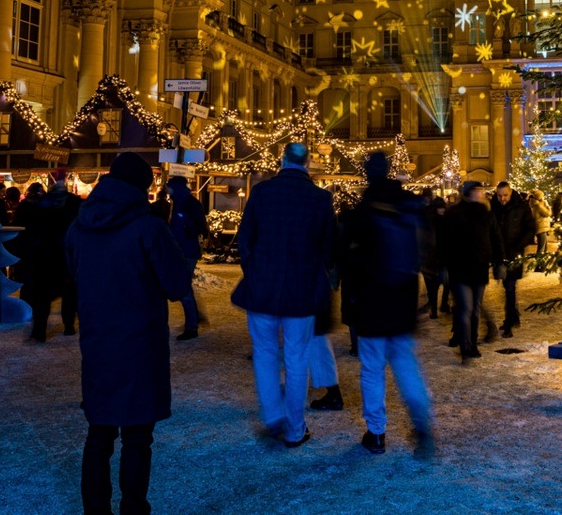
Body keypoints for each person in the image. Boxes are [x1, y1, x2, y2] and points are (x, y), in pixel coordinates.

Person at [66, 151, 191, 515]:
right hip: (140, 341)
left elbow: (75, 275)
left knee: (99, 432)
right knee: (137, 437)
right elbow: (176, 283)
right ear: (142, 186)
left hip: (98, 339)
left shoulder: (80, 225)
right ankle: (134, 509)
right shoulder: (147, 226)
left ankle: (96, 509)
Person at [231, 142, 337, 448]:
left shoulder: (263, 193)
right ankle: (294, 428)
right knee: (296, 358)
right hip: (301, 292)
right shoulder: (319, 198)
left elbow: (246, 239)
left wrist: (254, 270)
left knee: (264, 353)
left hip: (263, 287)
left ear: (282, 160)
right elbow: (329, 247)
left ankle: (274, 413)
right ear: (308, 164)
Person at [341, 152, 435, 456]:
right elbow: (425, 246)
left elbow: (351, 260)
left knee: (371, 368)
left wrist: (352, 298)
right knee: (405, 362)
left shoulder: (364, 209)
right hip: (402, 295)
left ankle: (377, 433)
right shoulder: (407, 202)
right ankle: (421, 424)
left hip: (371, 298)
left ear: (368, 174)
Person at [440, 181, 503, 363]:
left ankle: (472, 343)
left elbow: (496, 238)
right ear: (468, 194)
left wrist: (499, 261)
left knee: (474, 309)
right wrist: (443, 265)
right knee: (466, 308)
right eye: (477, 191)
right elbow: (444, 241)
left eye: (482, 191)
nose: (481, 194)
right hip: (459, 269)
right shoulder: (454, 213)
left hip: (479, 268)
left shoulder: (486, 214)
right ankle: (465, 346)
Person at [21, 175, 83, 341]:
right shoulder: (74, 203)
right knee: (69, 293)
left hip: (44, 254)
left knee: (42, 294)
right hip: (64, 253)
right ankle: (68, 326)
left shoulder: (43, 203)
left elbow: (32, 228)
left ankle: (39, 330)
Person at [490, 181, 537, 338]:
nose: (502, 199)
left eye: (505, 195)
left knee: (510, 288)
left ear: (511, 193)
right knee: (506, 287)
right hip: (498, 254)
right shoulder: (493, 206)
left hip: (514, 253)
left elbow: (531, 228)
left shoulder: (521, 206)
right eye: (499, 196)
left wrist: (519, 244)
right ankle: (513, 317)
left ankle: (509, 322)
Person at [166, 175, 210, 341]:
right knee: (184, 286)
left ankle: (192, 326)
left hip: (187, 250)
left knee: (183, 287)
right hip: (181, 249)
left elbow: (200, 225)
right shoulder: (178, 202)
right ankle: (195, 317)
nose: (167, 190)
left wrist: (188, 230)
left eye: (170, 186)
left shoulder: (189, 203)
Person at [528, 189, 552, 254]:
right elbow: (548, 213)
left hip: (540, 227)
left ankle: (543, 261)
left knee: (545, 248)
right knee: (541, 249)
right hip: (541, 228)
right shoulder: (539, 205)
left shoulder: (535, 204)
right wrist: (548, 206)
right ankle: (538, 261)